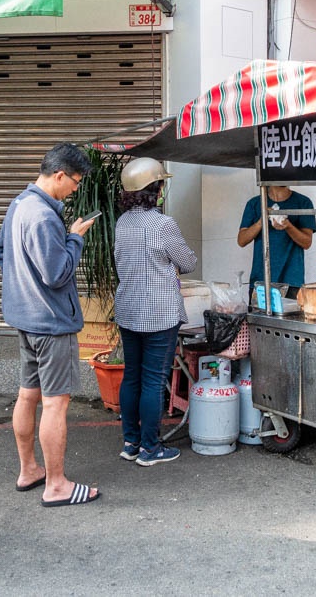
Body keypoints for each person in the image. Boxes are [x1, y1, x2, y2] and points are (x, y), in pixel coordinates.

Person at [0, 143, 100, 506]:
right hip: (51, 323)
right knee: (56, 404)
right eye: (74, 181)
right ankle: (57, 485)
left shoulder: (18, 205)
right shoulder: (42, 215)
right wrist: (75, 238)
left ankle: (29, 470)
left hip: (24, 318)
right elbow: (57, 274)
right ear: (58, 175)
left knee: (28, 395)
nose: (75, 189)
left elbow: (1, 255)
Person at [114, 158, 197, 466]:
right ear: (154, 189)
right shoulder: (163, 224)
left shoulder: (122, 223)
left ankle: (131, 442)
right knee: (153, 379)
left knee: (132, 376)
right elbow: (187, 263)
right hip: (159, 315)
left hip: (127, 310)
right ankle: (150, 448)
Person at [237, 186, 316, 298]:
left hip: (292, 281)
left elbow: (307, 242)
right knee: (259, 315)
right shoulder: (254, 204)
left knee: (291, 314)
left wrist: (288, 226)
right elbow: (241, 240)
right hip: (260, 280)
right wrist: (262, 221)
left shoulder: (303, 202)